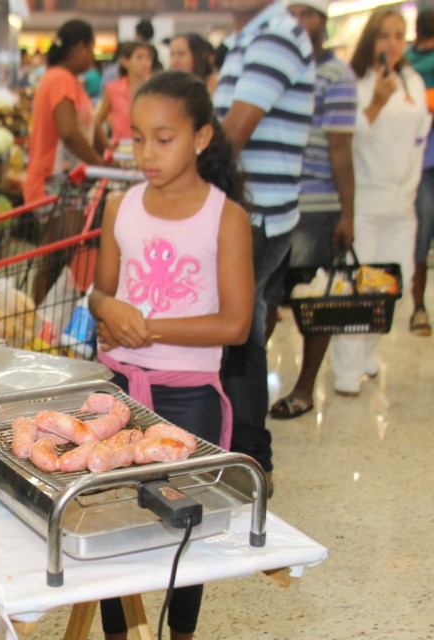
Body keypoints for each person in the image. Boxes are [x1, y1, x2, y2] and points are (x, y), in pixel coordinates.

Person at [90, 70, 253, 640]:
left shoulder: (224, 217)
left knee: (186, 524)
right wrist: (109, 310)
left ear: (201, 137)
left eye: (164, 138)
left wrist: (148, 326)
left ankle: (179, 633)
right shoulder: (121, 206)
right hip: (119, 391)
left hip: (188, 397)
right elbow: (99, 290)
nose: (147, 153)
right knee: (110, 518)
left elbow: (236, 323)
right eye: (137, 138)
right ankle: (117, 633)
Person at [212, 0, 314, 494]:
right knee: (242, 333)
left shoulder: (275, 35)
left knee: (238, 336)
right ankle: (245, 454)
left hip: (256, 216)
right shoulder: (244, 39)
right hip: (247, 211)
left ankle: (252, 461)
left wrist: (178, 186)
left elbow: (233, 132)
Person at [330, 9, 430, 396]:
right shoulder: (354, 81)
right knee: (357, 286)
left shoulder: (412, 80)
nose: (392, 43)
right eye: (384, 35)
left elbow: (419, 135)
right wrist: (375, 104)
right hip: (366, 201)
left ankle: (369, 350)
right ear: (371, 39)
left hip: (402, 203)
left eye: (399, 35)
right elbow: (346, 139)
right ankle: (347, 367)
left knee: (393, 285)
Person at [267, 0, 357, 419]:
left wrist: (347, 213)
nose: (301, 23)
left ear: (323, 21)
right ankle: (250, 387)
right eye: (295, 13)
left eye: (309, 14)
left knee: (312, 304)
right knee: (264, 303)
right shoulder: (278, 64)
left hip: (315, 205)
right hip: (272, 199)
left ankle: (305, 388)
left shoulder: (337, 75)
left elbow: (341, 149)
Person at [23, 19, 106, 204]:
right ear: (80, 47)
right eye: (91, 49)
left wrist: (108, 157)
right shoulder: (60, 79)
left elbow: (91, 125)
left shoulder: (68, 79)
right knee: (65, 234)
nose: (92, 57)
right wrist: (98, 163)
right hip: (53, 182)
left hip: (63, 180)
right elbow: (69, 132)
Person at [406, 9, 434, 336]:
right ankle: (418, 308)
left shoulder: (407, 65)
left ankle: (419, 308)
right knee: (421, 237)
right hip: (421, 162)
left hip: (419, 161)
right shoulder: (407, 66)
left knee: (420, 239)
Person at [93, 41, 155, 152]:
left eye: (148, 58)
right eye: (139, 58)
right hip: (122, 149)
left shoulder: (156, 88)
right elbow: (97, 121)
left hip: (150, 148)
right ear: (125, 61)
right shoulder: (113, 89)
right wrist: (107, 145)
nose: (145, 63)